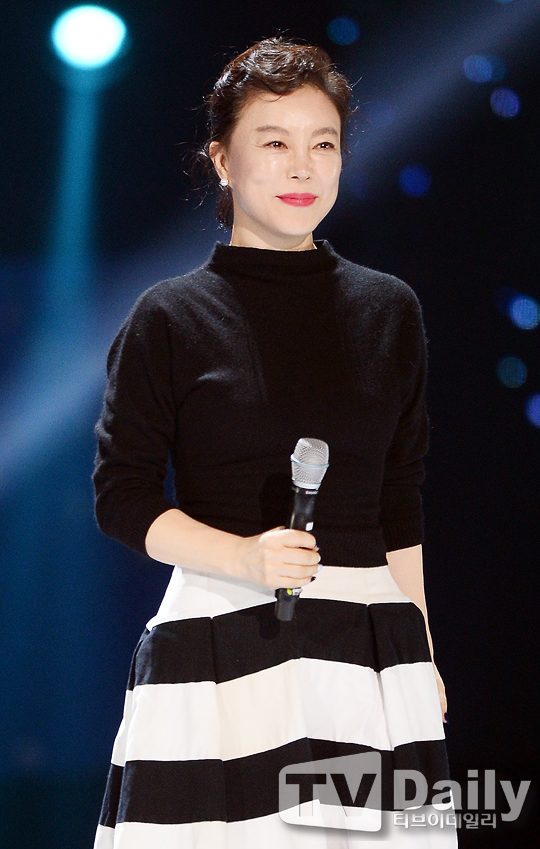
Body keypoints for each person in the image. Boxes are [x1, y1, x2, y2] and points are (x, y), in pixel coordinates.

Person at [93, 37, 457, 849]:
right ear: (222, 160)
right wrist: (245, 557)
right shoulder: (169, 316)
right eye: (275, 142)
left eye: (322, 144)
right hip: (219, 633)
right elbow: (122, 497)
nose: (302, 167)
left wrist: (421, 653)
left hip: (368, 647)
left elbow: (399, 499)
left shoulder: (389, 309)